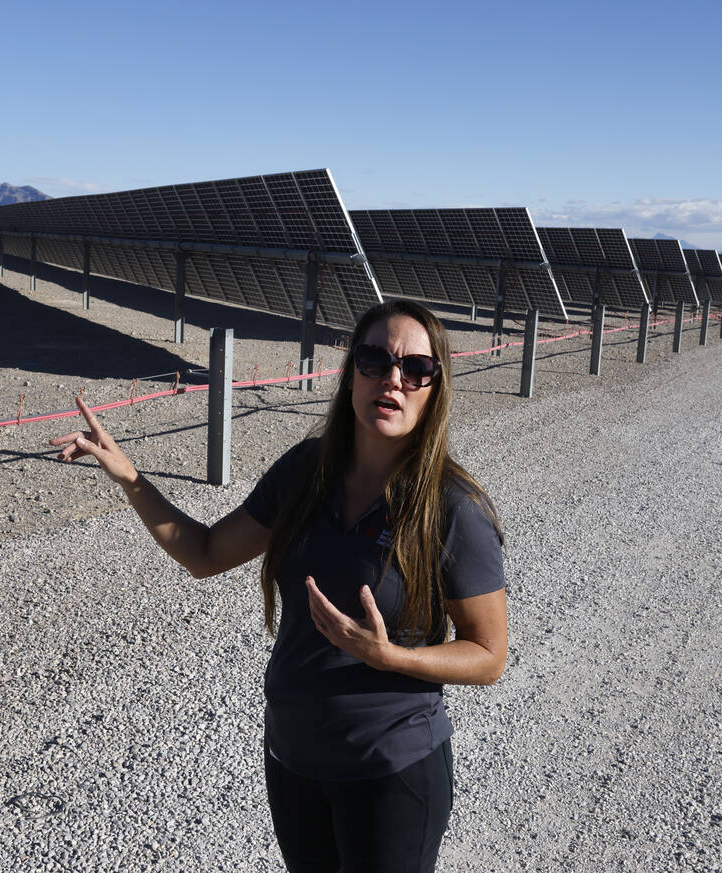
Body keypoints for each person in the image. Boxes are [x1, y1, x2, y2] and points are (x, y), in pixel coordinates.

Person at [50, 299, 507, 873]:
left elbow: (489, 656)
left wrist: (390, 657)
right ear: (350, 376)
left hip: (392, 771)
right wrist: (130, 477)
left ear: (434, 388)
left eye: (416, 369)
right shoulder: (304, 472)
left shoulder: (452, 507)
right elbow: (206, 553)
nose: (393, 379)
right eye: (374, 360)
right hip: (294, 760)